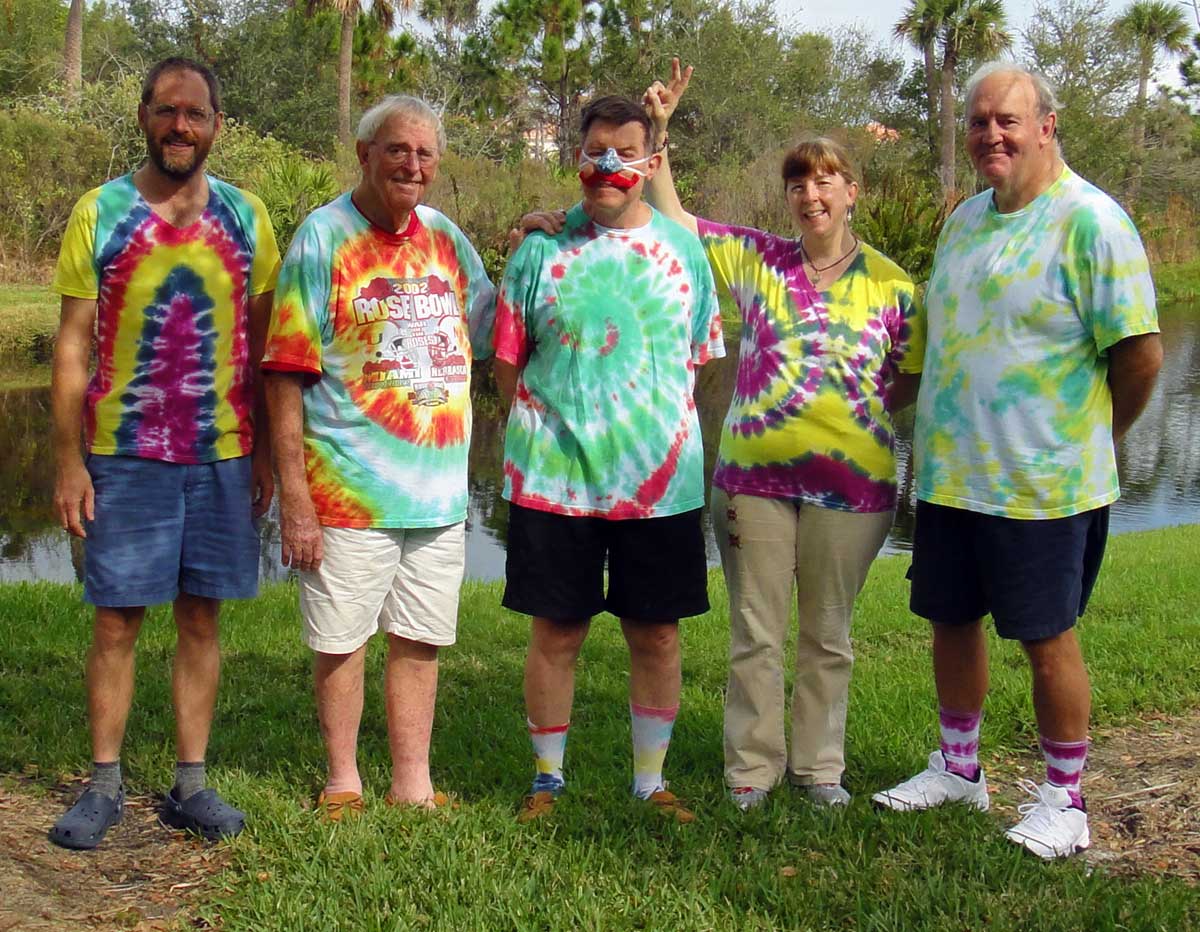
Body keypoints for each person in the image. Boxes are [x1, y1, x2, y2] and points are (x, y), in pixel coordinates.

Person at [871, 63, 1163, 859]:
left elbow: (1139, 357)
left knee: (1047, 637)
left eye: (1007, 119)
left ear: (1046, 125)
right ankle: (960, 771)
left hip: (1046, 484)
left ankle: (1065, 802)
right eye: (977, 121)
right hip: (954, 477)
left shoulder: (1091, 223)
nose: (990, 134)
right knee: (950, 619)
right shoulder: (965, 219)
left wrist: (1095, 441)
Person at [642, 62, 925, 810]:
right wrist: (660, 133)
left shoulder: (896, 286)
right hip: (752, 483)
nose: (811, 195)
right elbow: (675, 222)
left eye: (826, 181)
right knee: (756, 633)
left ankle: (819, 770)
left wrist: (854, 418)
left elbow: (908, 382)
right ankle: (751, 771)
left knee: (828, 637)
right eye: (799, 184)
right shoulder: (757, 260)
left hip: (854, 487)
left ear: (851, 191)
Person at [48, 57, 280, 849]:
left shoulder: (248, 217)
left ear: (217, 124)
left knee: (201, 618)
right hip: (125, 452)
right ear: (144, 115)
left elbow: (262, 349)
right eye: (167, 111)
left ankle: (191, 784)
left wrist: (270, 458)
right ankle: (104, 785)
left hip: (221, 454)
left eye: (196, 114)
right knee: (116, 621)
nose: (181, 126)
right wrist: (68, 460)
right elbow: (72, 346)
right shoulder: (101, 211)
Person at [262, 96, 495, 819]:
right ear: (364, 154)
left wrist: (544, 246)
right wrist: (295, 497)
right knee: (341, 642)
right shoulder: (322, 238)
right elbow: (285, 371)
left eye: (425, 154)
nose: (412, 165)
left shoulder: (447, 239)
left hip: (437, 494)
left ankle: (412, 783)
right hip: (348, 492)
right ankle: (342, 780)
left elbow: (491, 326)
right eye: (398, 149)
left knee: (421, 639)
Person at [495, 95, 724, 823]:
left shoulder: (686, 252)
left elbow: (701, 360)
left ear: (652, 163)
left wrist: (652, 423)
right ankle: (546, 780)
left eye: (625, 152)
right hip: (553, 481)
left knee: (655, 634)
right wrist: (544, 423)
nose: (608, 165)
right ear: (576, 157)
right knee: (555, 632)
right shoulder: (538, 250)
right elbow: (507, 361)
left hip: (659, 488)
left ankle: (651, 782)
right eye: (595, 151)